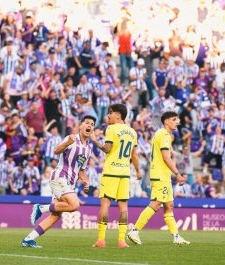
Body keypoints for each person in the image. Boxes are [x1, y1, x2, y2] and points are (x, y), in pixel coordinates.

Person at [21, 115, 96, 248]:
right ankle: (41, 207)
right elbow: (56, 151)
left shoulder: (88, 149)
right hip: (60, 177)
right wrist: (67, 143)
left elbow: (81, 170)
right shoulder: (71, 138)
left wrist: (87, 181)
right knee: (75, 205)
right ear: (80, 126)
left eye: (92, 124)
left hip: (69, 183)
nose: (89, 125)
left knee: (55, 216)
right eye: (87, 123)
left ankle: (28, 239)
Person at [127, 111, 190, 245]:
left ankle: (176, 236)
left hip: (162, 175)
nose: (177, 122)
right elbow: (166, 157)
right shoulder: (164, 135)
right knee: (155, 204)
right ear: (166, 122)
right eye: (174, 119)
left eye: (177, 119)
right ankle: (134, 230)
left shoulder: (162, 134)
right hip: (160, 175)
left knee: (168, 205)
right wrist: (178, 174)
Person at [89, 103, 142, 249]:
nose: (108, 116)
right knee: (123, 207)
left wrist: (94, 140)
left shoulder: (111, 128)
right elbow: (134, 155)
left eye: (110, 113)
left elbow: (107, 149)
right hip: (125, 173)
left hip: (111, 172)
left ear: (118, 115)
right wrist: (138, 171)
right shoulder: (132, 132)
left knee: (105, 205)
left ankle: (101, 240)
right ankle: (121, 241)